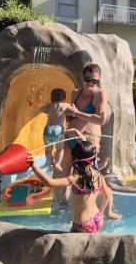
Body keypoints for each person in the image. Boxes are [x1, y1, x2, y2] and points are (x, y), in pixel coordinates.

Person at [62, 62, 120, 220]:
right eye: (88, 79)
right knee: (64, 172)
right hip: (71, 137)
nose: (91, 83)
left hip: (88, 141)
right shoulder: (76, 93)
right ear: (83, 78)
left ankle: (106, 211)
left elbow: (101, 119)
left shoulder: (100, 94)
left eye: (95, 81)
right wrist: (68, 113)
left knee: (92, 177)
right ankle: (70, 210)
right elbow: (70, 116)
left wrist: (77, 113)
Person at [27, 135, 114, 233]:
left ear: (73, 158)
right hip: (97, 219)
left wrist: (34, 166)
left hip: (83, 224)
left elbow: (49, 182)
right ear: (93, 158)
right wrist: (101, 212)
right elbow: (107, 195)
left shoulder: (76, 178)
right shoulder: (98, 174)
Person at [40, 88, 70, 172]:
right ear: (64, 98)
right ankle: (57, 163)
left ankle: (49, 163)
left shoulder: (50, 106)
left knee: (48, 149)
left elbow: (41, 109)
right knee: (60, 149)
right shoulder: (65, 105)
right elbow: (73, 111)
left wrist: (46, 106)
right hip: (58, 131)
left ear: (51, 98)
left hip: (48, 131)